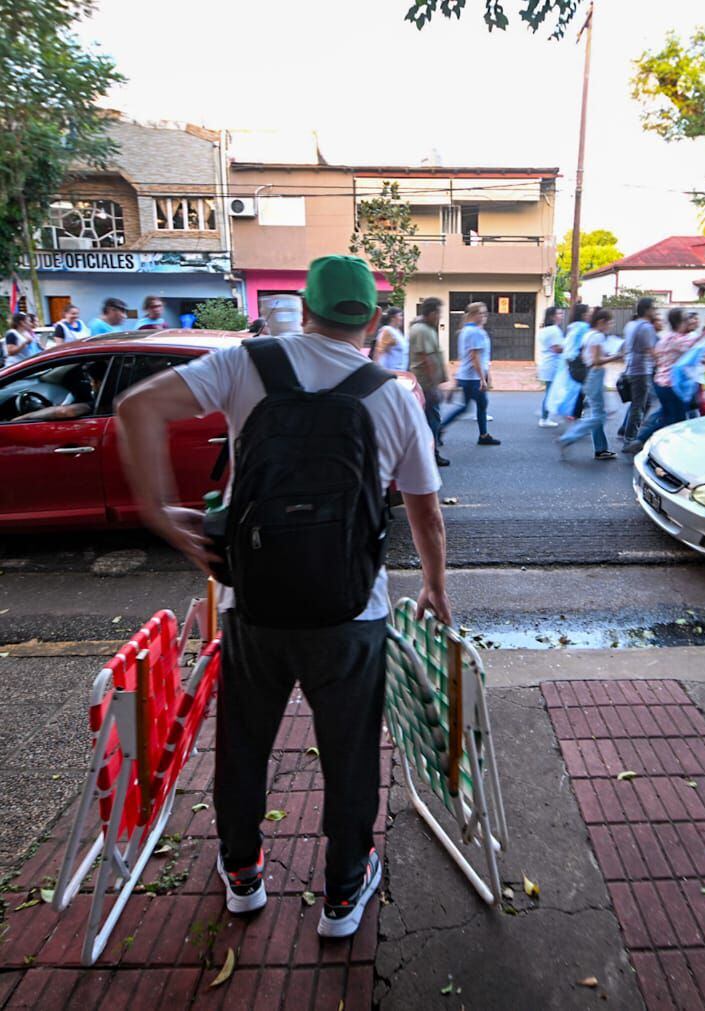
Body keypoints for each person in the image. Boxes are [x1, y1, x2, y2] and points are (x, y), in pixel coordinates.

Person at [113, 254, 450, 939]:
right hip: (352, 615)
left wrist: (158, 512)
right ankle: (343, 892)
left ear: (305, 305)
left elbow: (136, 407)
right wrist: (437, 588)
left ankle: (242, 874)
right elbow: (426, 513)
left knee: (243, 746)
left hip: (254, 606)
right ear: (375, 319)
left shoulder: (246, 364)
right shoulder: (392, 395)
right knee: (351, 755)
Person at [625, 308, 704, 451]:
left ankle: (641, 439)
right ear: (681, 322)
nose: (690, 322)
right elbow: (699, 346)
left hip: (661, 383)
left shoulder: (666, 338)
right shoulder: (681, 340)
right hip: (673, 385)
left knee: (667, 414)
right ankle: (665, 448)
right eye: (687, 320)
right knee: (676, 421)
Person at [558, 308, 622, 460]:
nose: (611, 325)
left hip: (592, 374)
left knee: (598, 413)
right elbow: (596, 360)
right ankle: (568, 437)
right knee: (600, 415)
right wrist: (616, 356)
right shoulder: (598, 337)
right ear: (601, 322)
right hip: (596, 374)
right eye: (609, 322)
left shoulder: (589, 334)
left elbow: (587, 356)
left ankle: (601, 448)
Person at [440, 302, 500, 446]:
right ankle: (440, 429)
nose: (484, 316)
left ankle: (483, 435)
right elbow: (475, 358)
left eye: (485, 313)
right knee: (477, 405)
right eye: (481, 313)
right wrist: (482, 379)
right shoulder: (475, 332)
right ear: (473, 315)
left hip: (466, 376)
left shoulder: (466, 330)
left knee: (474, 405)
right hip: (473, 377)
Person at [408, 298, 450, 468]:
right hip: (425, 384)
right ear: (432, 313)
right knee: (432, 420)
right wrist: (435, 385)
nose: (440, 316)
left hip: (425, 383)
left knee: (429, 419)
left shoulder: (423, 328)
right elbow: (429, 359)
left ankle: (428, 452)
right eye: (438, 312)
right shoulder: (423, 330)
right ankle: (431, 455)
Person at [13, 359, 108, 421]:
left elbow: (65, 412)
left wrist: (23, 418)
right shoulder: (118, 394)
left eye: (90, 381)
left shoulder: (106, 400)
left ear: (98, 382)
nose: (90, 385)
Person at [620, 297, 658, 441]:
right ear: (647, 310)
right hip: (641, 370)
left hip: (633, 368)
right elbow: (650, 350)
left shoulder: (633, 325)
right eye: (653, 309)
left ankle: (631, 431)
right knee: (639, 406)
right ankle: (630, 437)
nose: (655, 312)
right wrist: (661, 362)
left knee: (644, 403)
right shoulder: (647, 327)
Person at [535, 306, 564, 428]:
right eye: (559, 313)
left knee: (551, 391)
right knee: (552, 392)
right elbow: (557, 349)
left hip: (547, 364)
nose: (562, 315)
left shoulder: (544, 330)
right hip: (553, 365)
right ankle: (545, 416)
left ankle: (545, 413)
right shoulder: (554, 330)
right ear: (552, 316)